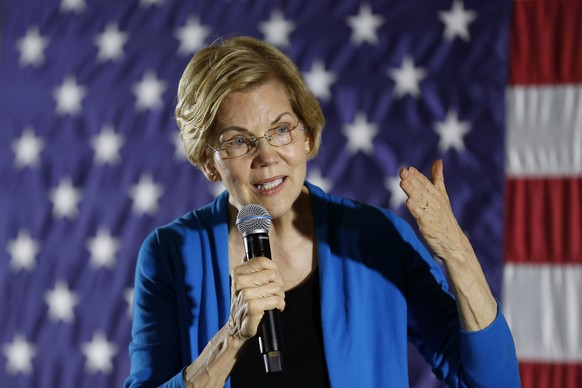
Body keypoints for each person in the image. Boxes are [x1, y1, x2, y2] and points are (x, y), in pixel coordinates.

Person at [125, 36, 520, 388]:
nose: (267, 157)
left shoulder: (377, 236)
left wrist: (457, 253)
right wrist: (233, 337)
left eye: (281, 130)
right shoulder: (169, 253)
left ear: (307, 135)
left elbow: (490, 382)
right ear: (209, 162)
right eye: (238, 142)